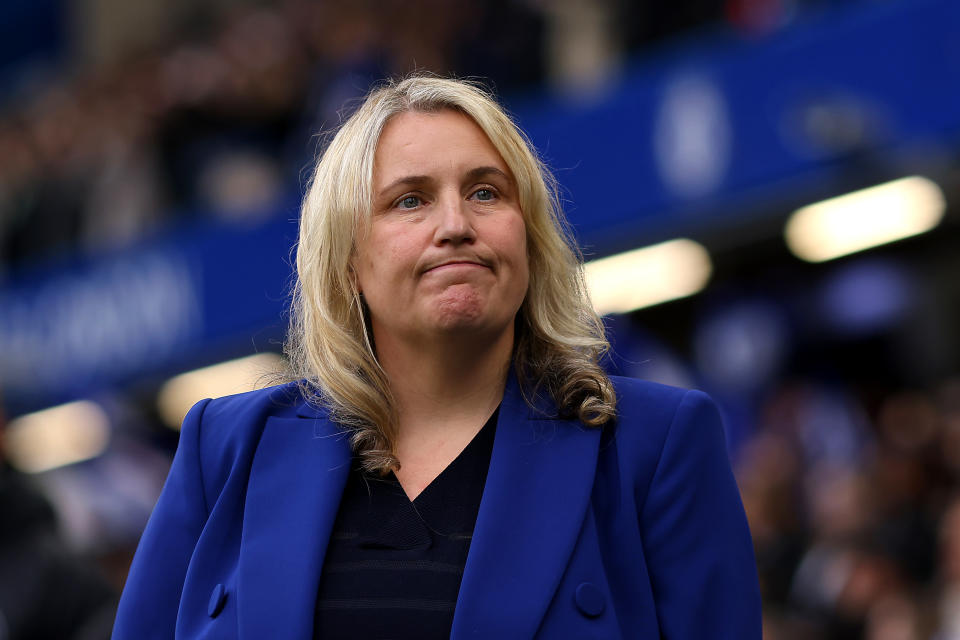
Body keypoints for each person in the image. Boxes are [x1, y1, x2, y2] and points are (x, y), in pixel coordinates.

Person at [112, 75, 761, 639]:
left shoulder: (655, 445)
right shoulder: (226, 449)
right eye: (410, 200)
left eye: (486, 193)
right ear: (348, 263)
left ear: (530, 241)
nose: (456, 223)